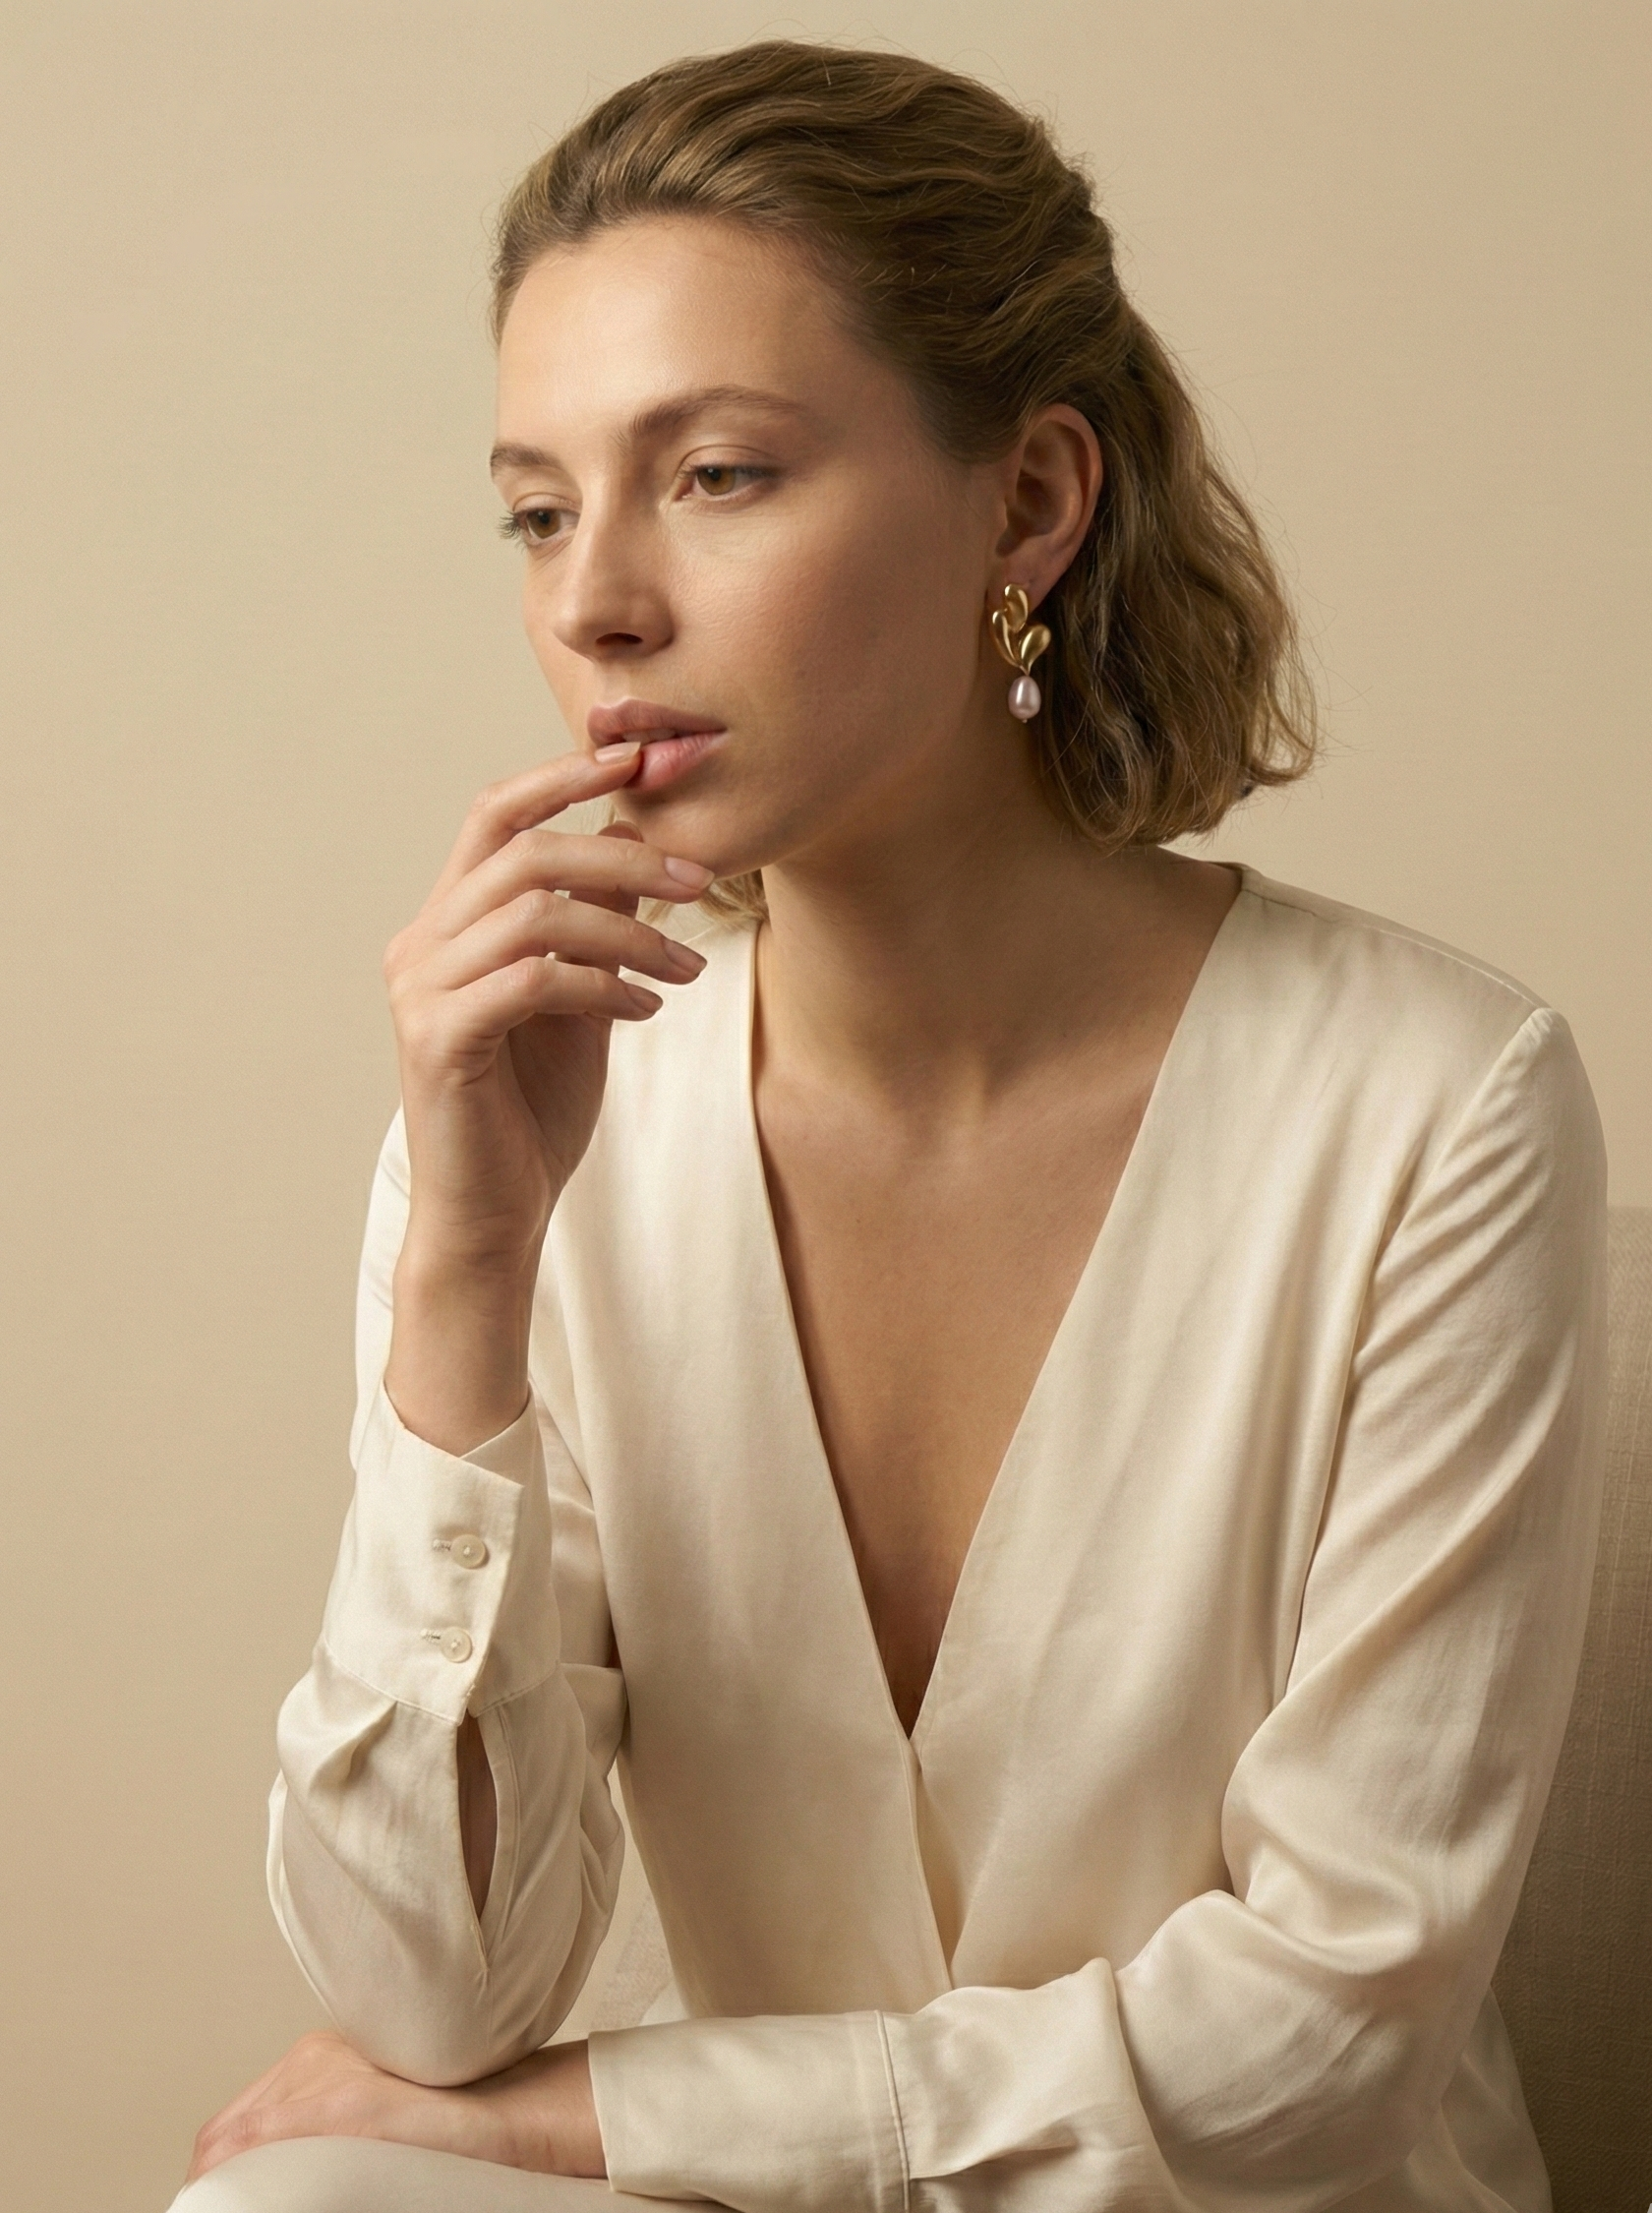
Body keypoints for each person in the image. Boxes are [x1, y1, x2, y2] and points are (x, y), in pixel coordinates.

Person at [173, 39, 1606, 2213]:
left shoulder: (1432, 1106)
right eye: (540, 509)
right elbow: (429, 1996)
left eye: (716, 473)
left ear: (1027, 503)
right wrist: (464, 1273)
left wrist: (586, 2119)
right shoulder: (542, 1139)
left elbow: (1321, 2039)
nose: (595, 599)